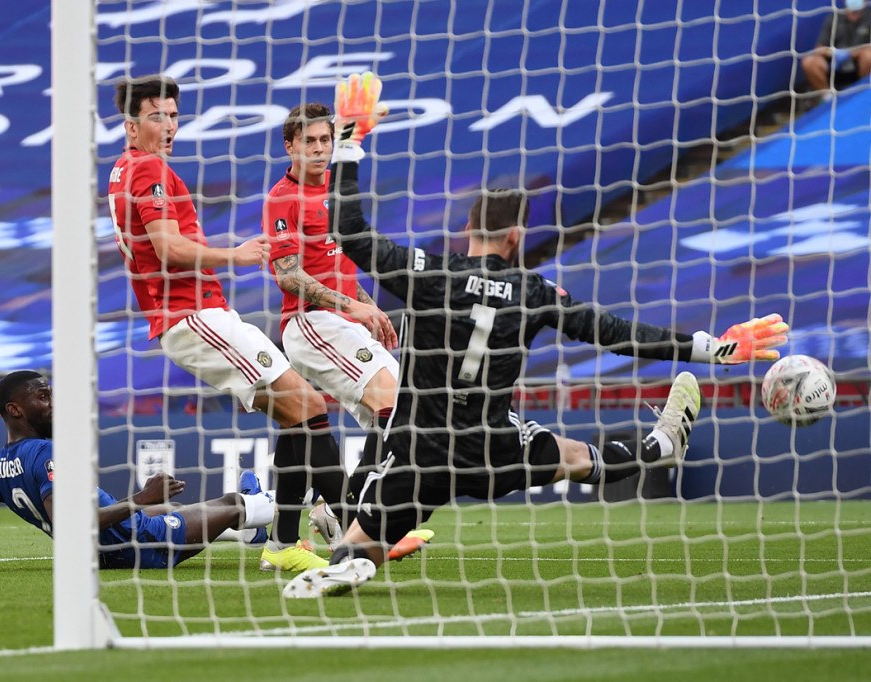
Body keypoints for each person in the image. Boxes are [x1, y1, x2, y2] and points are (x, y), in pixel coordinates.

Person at [284, 73, 790, 597]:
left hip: (422, 450)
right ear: (517, 236)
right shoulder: (535, 293)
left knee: (355, 545)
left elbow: (349, 231)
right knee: (577, 459)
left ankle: (353, 561)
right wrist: (713, 348)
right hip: (493, 446)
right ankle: (659, 444)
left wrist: (349, 144)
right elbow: (616, 334)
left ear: (468, 228)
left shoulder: (430, 274)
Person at [107, 75, 353, 572]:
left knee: (297, 413)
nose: (170, 126)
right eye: (158, 116)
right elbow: (168, 248)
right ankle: (359, 533)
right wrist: (234, 256)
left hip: (193, 316)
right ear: (132, 126)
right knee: (306, 402)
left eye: (174, 115)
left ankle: (288, 542)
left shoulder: (124, 169)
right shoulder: (147, 167)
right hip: (190, 314)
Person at [0, 371, 274, 569]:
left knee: (215, 502)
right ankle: (287, 505)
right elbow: (72, 524)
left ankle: (253, 524)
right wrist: (140, 499)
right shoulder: (47, 454)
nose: (53, 403)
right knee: (239, 505)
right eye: (43, 397)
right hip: (140, 544)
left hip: (109, 540)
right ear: (15, 410)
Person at [262, 102, 432, 559]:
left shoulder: (337, 191)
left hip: (341, 319)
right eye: (310, 142)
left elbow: (340, 268)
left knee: (324, 420)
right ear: (291, 145)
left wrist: (371, 310)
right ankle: (361, 520)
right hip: (308, 323)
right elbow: (289, 276)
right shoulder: (283, 197)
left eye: (325, 141)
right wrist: (353, 307)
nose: (319, 150)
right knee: (391, 401)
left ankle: (311, 525)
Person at [800, 0, 871, 101]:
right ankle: (828, 99)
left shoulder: (869, 17)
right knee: (809, 62)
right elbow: (820, 48)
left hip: (860, 65)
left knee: (868, 55)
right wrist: (834, 53)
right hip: (835, 66)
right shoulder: (833, 19)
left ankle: (866, 90)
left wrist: (851, 54)